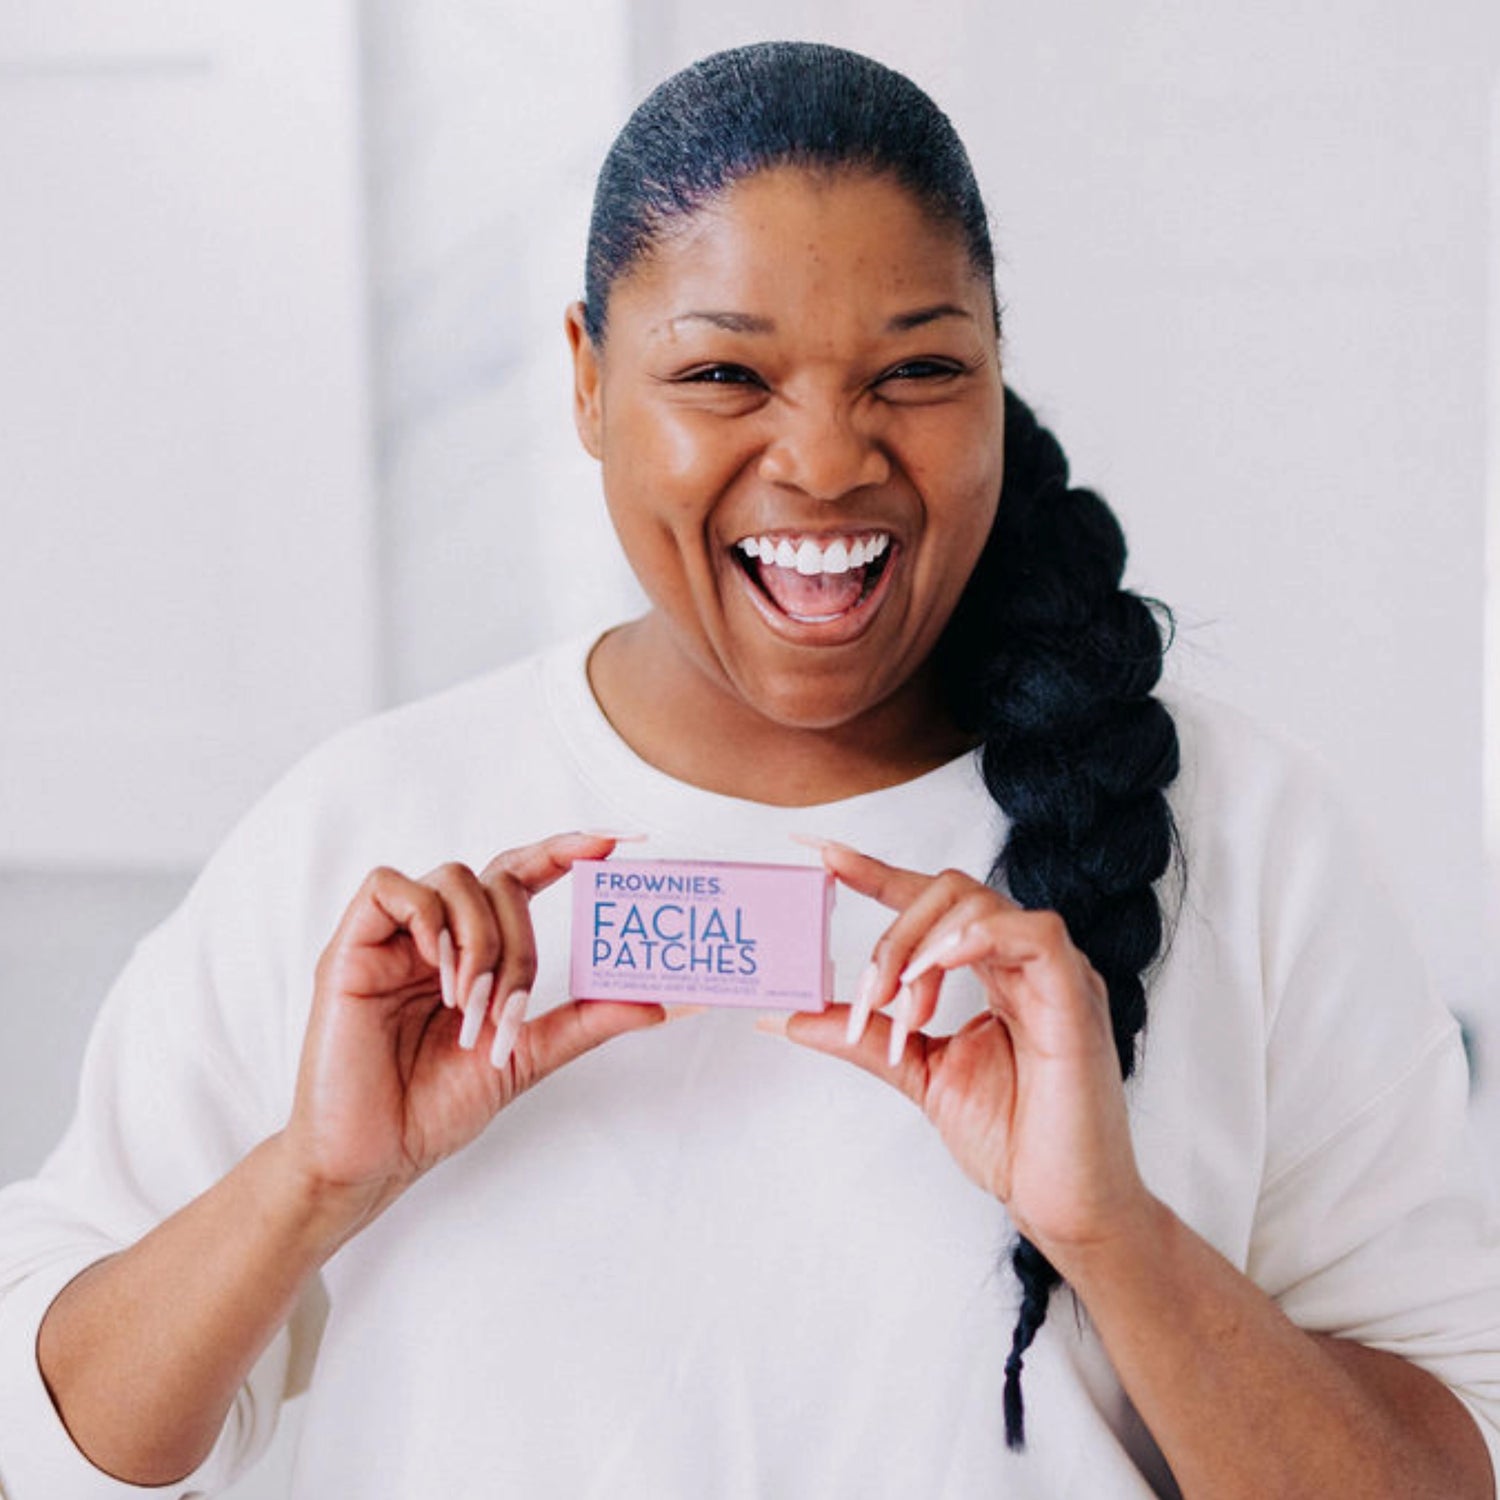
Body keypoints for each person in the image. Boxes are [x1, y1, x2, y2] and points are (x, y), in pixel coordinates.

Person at [1, 40, 1496, 1499]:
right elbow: (51, 1441)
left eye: (916, 369)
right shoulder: (362, 841)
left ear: (995, 373)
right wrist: (313, 1181)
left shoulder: (1245, 842)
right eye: (724, 372)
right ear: (588, 381)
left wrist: (1114, 1234)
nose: (830, 461)